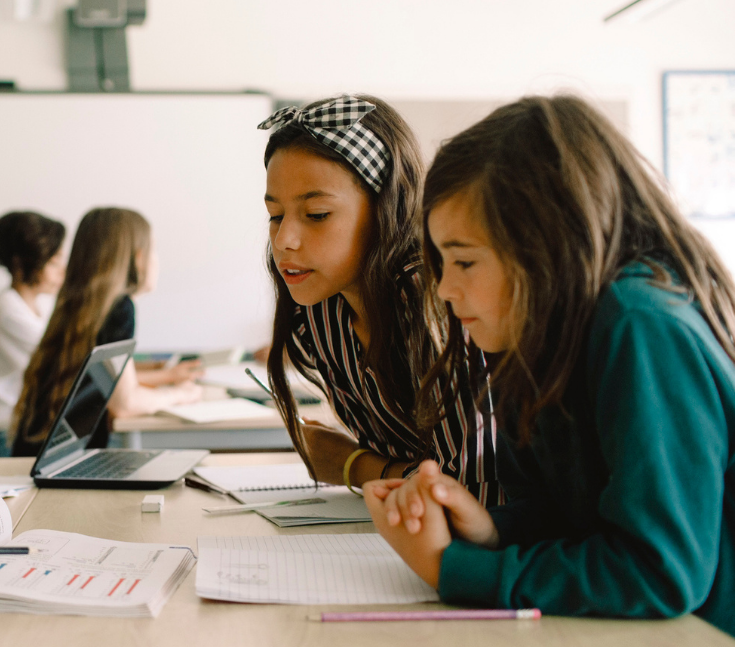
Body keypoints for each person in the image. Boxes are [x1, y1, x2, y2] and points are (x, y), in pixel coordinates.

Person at [366, 95, 735, 635]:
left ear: (547, 247)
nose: (444, 289)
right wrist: (490, 531)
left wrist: (456, 570)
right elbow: (572, 517)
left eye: (465, 261)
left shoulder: (639, 325)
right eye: (442, 264)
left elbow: (660, 572)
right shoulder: (537, 337)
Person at [260, 95, 501, 502]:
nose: (285, 240)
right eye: (275, 215)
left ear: (386, 209)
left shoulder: (433, 299)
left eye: (317, 214)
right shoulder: (318, 311)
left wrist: (351, 465)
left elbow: (473, 493)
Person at [11, 207, 203, 457]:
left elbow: (117, 385)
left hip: (37, 457)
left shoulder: (75, 306)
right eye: (154, 250)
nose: (158, 260)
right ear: (137, 257)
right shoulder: (119, 309)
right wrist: (179, 394)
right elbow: (124, 404)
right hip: (67, 468)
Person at [0, 211, 66, 456]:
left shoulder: (41, 305)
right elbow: (64, 366)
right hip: (9, 433)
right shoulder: (8, 310)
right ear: (21, 262)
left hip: (27, 425)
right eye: (54, 262)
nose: (62, 271)